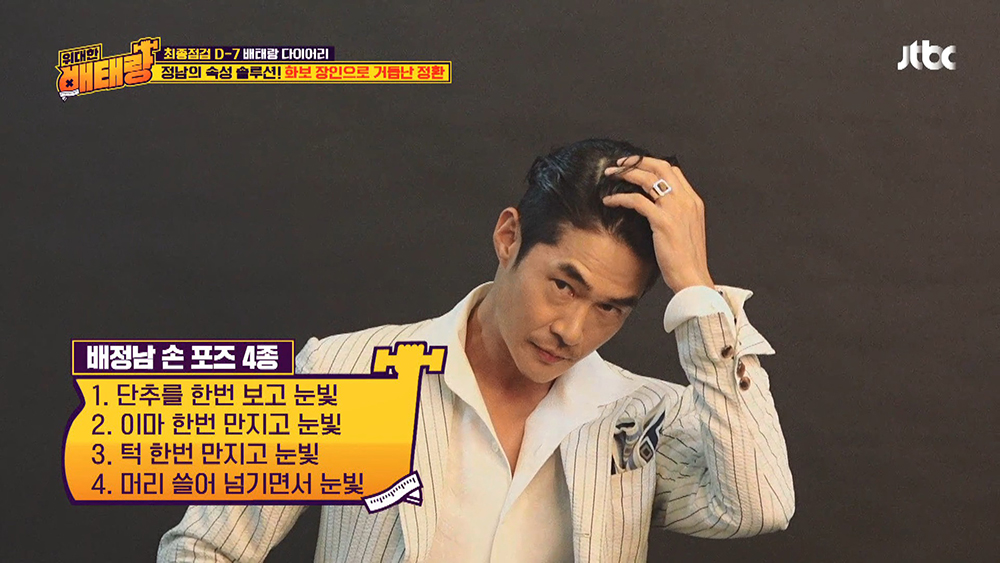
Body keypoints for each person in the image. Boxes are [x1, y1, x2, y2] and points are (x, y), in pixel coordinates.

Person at [157, 138, 794, 562]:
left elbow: (759, 504)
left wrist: (698, 292)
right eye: (563, 285)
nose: (572, 330)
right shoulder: (348, 372)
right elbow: (208, 547)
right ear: (509, 236)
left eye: (609, 308)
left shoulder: (641, 418)